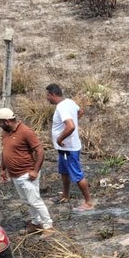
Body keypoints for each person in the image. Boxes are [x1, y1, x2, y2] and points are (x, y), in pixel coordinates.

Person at [0, 108, 54, 236]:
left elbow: (40, 151)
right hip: (15, 174)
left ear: (7, 121)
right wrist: (3, 169)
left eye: (0, 122)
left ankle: (48, 226)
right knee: (27, 201)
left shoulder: (25, 132)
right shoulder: (5, 132)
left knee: (35, 200)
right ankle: (36, 223)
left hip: (27, 173)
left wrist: (35, 170)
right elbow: (5, 151)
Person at [46, 83, 94, 211]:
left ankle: (89, 202)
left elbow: (71, 126)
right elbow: (80, 111)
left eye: (47, 96)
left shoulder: (62, 107)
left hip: (68, 148)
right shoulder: (70, 102)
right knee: (64, 172)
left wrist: (60, 138)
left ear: (53, 95)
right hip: (65, 148)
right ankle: (65, 195)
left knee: (77, 175)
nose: (47, 98)